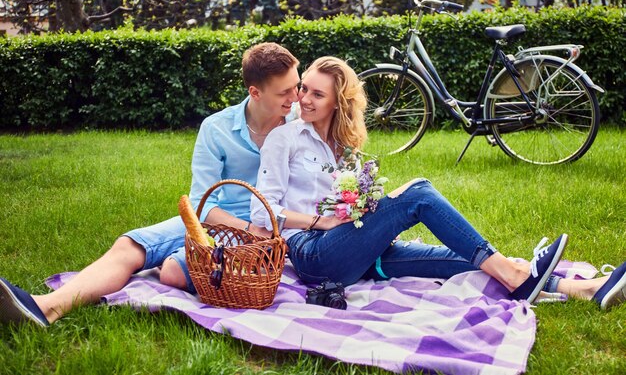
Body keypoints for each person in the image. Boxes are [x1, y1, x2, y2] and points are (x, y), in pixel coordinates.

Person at [250, 56, 626, 309]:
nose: (304, 99)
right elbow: (262, 211)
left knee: (458, 259)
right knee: (418, 193)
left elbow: (344, 205)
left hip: (355, 249)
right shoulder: (285, 138)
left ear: (337, 103)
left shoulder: (344, 147)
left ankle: (580, 288)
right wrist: (324, 222)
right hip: (314, 255)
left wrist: (367, 218)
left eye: (317, 94)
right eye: (304, 90)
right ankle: (516, 275)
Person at [0, 42, 301, 327]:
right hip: (217, 220)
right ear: (255, 92)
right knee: (129, 245)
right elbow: (202, 203)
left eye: (296, 86)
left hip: (262, 232)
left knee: (173, 271)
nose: (296, 97)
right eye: (284, 92)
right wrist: (240, 227)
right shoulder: (217, 128)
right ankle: (46, 307)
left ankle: (174, 264)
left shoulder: (300, 123)